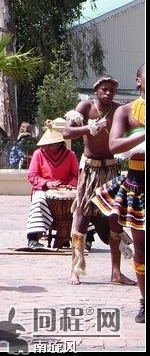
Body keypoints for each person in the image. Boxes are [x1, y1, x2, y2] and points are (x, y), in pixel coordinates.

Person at [63, 75, 136, 286]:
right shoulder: (85, 107)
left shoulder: (120, 110)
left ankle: (116, 272)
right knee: (81, 217)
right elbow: (67, 132)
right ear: (96, 90)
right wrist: (90, 127)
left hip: (111, 170)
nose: (108, 93)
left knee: (115, 219)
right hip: (90, 171)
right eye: (104, 89)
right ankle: (75, 270)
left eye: (112, 90)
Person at [92, 63, 145, 323]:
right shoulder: (126, 112)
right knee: (141, 247)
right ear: (138, 82)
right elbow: (114, 145)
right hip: (138, 182)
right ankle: (144, 300)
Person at [25, 120, 79, 248]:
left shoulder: (70, 155)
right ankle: (33, 237)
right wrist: (47, 183)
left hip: (66, 191)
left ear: (59, 144)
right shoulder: (38, 154)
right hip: (43, 190)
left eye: (50, 145)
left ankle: (86, 238)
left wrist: (71, 185)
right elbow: (32, 175)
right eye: (45, 145)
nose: (47, 148)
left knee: (81, 202)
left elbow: (77, 175)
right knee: (38, 201)